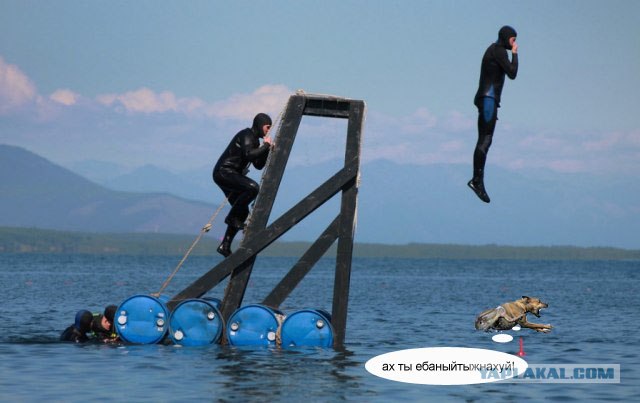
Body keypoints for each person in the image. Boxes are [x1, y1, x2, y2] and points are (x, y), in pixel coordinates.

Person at [469, 25, 519, 203]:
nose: (515, 43)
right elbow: (512, 73)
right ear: (506, 38)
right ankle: (477, 181)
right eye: (513, 39)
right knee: (485, 139)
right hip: (488, 100)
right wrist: (514, 53)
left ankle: (477, 180)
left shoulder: (494, 50)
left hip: (487, 100)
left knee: (485, 140)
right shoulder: (498, 51)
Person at [213, 113, 273, 257]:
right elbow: (248, 155)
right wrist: (265, 146)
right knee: (253, 187)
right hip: (224, 172)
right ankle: (231, 218)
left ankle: (225, 245)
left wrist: (267, 149)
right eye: (267, 127)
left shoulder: (256, 142)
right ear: (260, 125)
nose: (268, 130)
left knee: (243, 212)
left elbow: (258, 165)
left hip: (232, 175)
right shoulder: (246, 135)